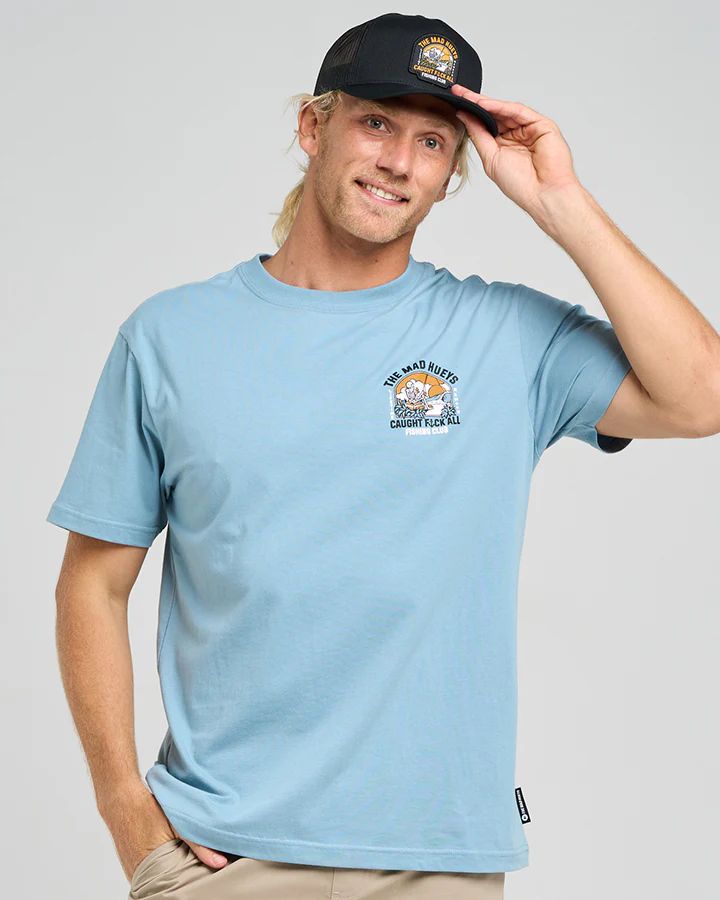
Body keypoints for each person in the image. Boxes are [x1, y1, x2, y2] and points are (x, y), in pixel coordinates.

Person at [46, 12, 720, 900]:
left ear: (452, 174)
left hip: (438, 862)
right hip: (222, 854)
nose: (400, 161)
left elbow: (701, 396)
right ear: (312, 126)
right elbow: (93, 583)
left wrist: (562, 203)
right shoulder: (169, 337)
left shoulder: (507, 337)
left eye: (433, 141)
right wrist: (126, 811)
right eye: (376, 123)